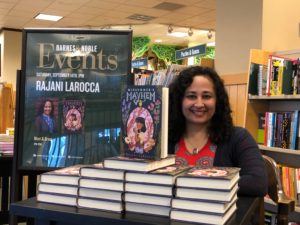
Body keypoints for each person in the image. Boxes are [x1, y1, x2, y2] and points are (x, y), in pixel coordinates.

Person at [168, 66, 268, 197]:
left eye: (206, 96)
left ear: (217, 101)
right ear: (179, 101)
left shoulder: (239, 138)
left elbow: (258, 183)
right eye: (191, 96)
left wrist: (193, 184)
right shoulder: (164, 139)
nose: (199, 104)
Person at [34, 99, 57, 166]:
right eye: (46, 107)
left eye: (50, 107)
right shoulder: (38, 119)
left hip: (52, 145)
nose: (48, 109)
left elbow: (55, 132)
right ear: (43, 107)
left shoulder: (53, 119)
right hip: (42, 146)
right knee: (43, 163)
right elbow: (37, 135)